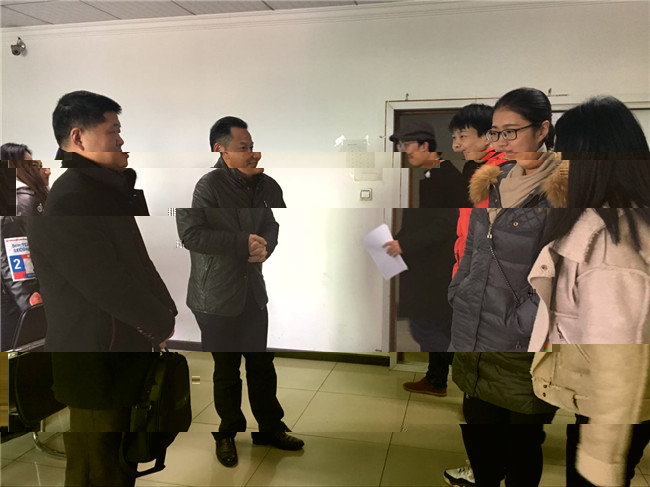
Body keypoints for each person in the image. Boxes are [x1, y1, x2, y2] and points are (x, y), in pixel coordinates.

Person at [528, 96, 650, 487]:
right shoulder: (619, 216)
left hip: (612, 409)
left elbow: (620, 359)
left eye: (561, 152)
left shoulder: (610, 243)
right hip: (604, 399)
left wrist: (600, 457)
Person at [446, 88, 561, 487]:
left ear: (542, 130)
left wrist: (520, 321)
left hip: (519, 342)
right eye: (495, 132)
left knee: (521, 445)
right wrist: (460, 291)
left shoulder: (561, 191)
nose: (500, 141)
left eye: (511, 131)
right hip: (474, 329)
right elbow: (474, 248)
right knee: (478, 434)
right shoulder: (492, 181)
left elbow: (560, 271)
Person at [176, 116, 302, 468]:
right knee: (227, 370)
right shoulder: (207, 186)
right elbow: (190, 235)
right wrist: (241, 242)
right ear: (221, 149)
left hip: (251, 292)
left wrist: (265, 246)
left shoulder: (260, 185)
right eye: (243, 147)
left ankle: (270, 428)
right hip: (214, 296)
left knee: (262, 365)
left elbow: (271, 224)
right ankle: (228, 432)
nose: (251, 153)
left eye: (252, 146)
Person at [443, 103, 506, 487]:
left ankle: (486, 469)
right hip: (476, 294)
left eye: (462, 136)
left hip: (488, 300)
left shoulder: (501, 176)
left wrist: (466, 289)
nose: (456, 145)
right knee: (481, 390)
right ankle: (489, 465)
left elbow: (492, 246)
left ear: (489, 135)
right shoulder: (483, 174)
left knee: (483, 392)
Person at [385, 124, 458, 396]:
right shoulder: (430, 176)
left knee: (426, 325)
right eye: (400, 146)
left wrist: (404, 243)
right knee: (432, 323)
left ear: (425, 145)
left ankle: (463, 376)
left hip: (438, 267)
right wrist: (398, 240)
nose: (404, 151)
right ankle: (436, 379)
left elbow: (445, 224)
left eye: (407, 145)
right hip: (427, 264)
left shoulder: (446, 177)